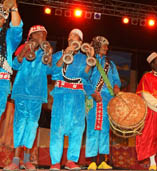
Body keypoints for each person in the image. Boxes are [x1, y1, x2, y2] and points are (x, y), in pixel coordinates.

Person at [3, 25, 52, 171]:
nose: (42, 37)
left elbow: (49, 70)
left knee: (32, 126)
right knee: (20, 125)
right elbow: (15, 65)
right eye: (39, 34)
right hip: (21, 92)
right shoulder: (23, 47)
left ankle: (26, 160)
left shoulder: (45, 50)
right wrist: (25, 49)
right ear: (31, 36)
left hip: (37, 94)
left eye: (44, 34)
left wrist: (48, 53)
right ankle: (16, 161)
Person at [49, 29, 91, 171]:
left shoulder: (84, 58)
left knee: (78, 129)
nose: (72, 41)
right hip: (61, 94)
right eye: (69, 39)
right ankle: (55, 162)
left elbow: (85, 77)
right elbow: (53, 72)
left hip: (78, 96)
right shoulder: (59, 54)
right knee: (57, 128)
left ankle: (71, 161)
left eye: (75, 39)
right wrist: (65, 55)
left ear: (80, 42)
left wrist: (90, 61)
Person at [85, 36, 121, 170]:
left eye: (107, 46)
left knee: (105, 130)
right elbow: (84, 78)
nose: (106, 48)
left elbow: (116, 79)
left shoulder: (110, 64)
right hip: (94, 98)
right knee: (93, 128)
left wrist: (117, 86)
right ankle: (92, 161)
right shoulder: (90, 61)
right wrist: (92, 93)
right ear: (97, 46)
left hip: (108, 100)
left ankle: (102, 161)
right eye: (104, 45)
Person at [0, 0, 22, 118]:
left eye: (0, 17)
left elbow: (17, 27)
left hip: (1, 83)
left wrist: (14, 7)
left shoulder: (9, 37)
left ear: (4, 21)